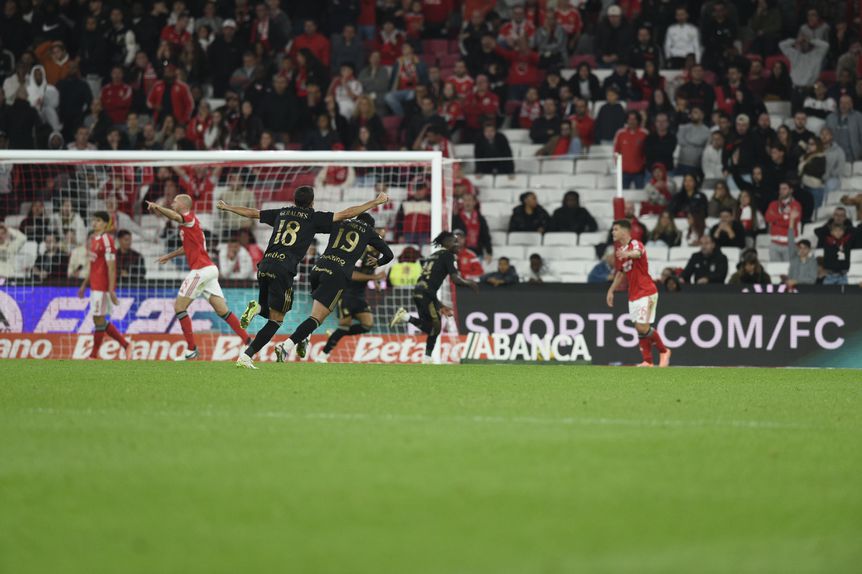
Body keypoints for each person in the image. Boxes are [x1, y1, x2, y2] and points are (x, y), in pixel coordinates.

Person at [218, 187, 388, 369]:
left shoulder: (282, 212)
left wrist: (228, 207)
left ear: (294, 199)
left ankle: (257, 311)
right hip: (283, 269)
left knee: (270, 311)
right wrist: (375, 202)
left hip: (264, 265)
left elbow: (253, 213)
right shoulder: (313, 217)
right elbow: (346, 214)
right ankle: (247, 356)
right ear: (312, 201)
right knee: (277, 320)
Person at [273, 213, 394, 363]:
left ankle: (306, 335)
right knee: (317, 318)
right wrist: (378, 264)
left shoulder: (340, 223)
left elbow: (314, 227)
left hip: (318, 269)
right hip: (338, 276)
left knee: (318, 317)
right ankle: (286, 346)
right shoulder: (367, 234)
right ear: (371, 227)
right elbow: (389, 254)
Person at [146, 194, 251, 361]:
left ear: (182, 204)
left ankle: (191, 349)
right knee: (222, 310)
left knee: (179, 307)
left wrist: (157, 207)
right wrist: (169, 255)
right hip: (210, 270)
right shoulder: (191, 226)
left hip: (201, 271)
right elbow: (188, 247)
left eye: (174, 201)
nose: (172, 203)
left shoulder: (188, 218)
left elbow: (174, 216)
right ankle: (248, 341)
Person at [390, 231, 478, 364]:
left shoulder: (433, 255)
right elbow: (455, 279)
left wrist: (440, 305)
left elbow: (429, 279)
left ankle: (426, 357)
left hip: (419, 291)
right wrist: (469, 283)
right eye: (455, 241)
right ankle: (426, 356)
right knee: (435, 327)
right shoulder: (448, 255)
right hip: (426, 293)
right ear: (446, 243)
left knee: (431, 327)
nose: (458, 244)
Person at [606, 219, 670, 367]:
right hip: (634, 294)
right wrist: (611, 290)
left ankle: (664, 350)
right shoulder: (622, 251)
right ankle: (647, 361)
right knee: (639, 328)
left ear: (624, 231)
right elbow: (621, 273)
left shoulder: (634, 244)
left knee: (642, 327)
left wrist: (627, 253)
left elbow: (637, 253)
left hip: (646, 291)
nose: (612, 232)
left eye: (615, 229)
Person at [317, 237, 389, 363]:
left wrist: (376, 281)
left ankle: (335, 333)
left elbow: (370, 271)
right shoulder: (360, 254)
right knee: (345, 325)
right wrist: (374, 277)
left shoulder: (375, 257)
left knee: (367, 325)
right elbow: (352, 275)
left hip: (359, 295)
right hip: (346, 293)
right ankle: (323, 355)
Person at [76, 211, 130, 359]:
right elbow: (93, 266)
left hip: (102, 287)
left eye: (98, 221)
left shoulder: (107, 240)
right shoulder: (94, 240)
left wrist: (111, 290)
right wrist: (83, 285)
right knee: (98, 320)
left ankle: (94, 355)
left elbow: (111, 267)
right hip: (94, 286)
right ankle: (125, 345)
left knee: (98, 319)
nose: (95, 223)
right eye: (94, 220)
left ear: (106, 224)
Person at [765, 182, 802, 262]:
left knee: (788, 271)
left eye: (784, 189)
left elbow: (793, 221)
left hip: (789, 244)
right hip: (774, 243)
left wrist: (776, 220)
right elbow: (768, 218)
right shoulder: (773, 204)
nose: (781, 191)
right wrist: (784, 217)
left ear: (791, 190)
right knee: (774, 270)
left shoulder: (796, 205)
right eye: (780, 189)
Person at [451, 194, 492, 261]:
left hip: (477, 254)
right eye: (465, 200)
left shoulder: (480, 219)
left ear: (474, 202)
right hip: (460, 254)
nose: (467, 203)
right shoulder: (456, 218)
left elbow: (486, 236)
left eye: (469, 200)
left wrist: (489, 252)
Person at [614, 111, 648, 189]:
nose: (632, 121)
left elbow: (648, 152)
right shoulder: (620, 133)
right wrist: (619, 166)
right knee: (623, 195)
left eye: (634, 119)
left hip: (639, 172)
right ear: (627, 120)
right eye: (630, 119)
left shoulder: (644, 133)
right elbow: (616, 151)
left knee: (640, 195)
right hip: (624, 172)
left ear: (638, 120)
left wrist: (643, 165)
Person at [825, 95, 862, 161]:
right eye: (841, 103)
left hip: (853, 155)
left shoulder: (858, 117)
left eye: (846, 103)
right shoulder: (830, 117)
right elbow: (825, 135)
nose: (843, 105)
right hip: (834, 154)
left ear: (851, 104)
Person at [785, 212, 817, 287]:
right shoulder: (794, 258)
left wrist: (796, 281)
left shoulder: (812, 262)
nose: (802, 250)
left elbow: (812, 279)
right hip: (792, 289)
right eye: (800, 247)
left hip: (806, 290)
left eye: (805, 248)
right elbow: (790, 240)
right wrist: (791, 220)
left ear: (809, 250)